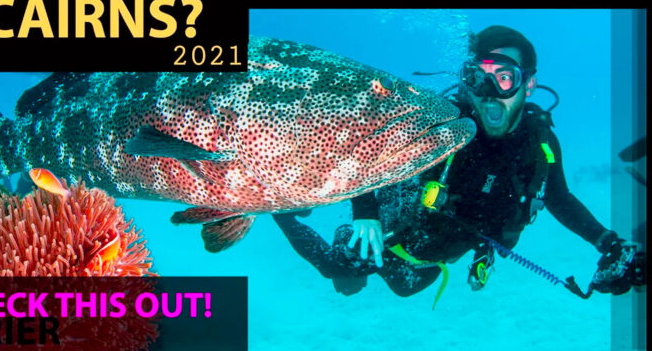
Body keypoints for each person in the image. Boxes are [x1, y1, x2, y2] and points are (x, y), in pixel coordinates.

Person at [273, 25, 646, 298]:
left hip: (447, 246)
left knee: (408, 288)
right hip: (393, 227)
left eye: (503, 77)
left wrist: (609, 244)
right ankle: (281, 212)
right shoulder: (443, 121)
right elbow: (370, 151)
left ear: (528, 84)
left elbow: (559, 198)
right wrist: (365, 212)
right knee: (343, 279)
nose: (486, 93)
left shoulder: (540, 141)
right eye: (476, 77)